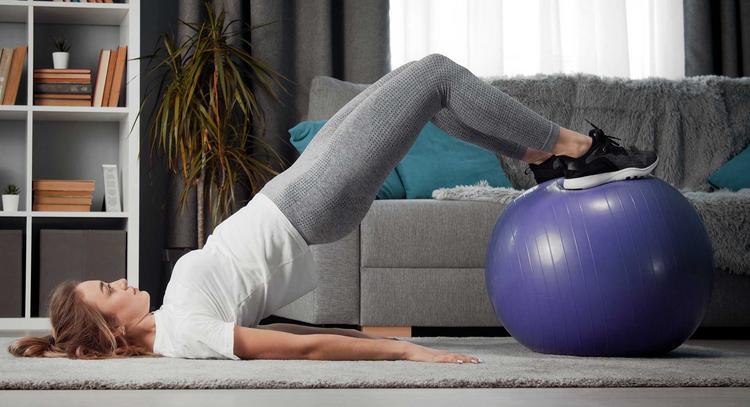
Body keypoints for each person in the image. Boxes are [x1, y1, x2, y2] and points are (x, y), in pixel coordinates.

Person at [8, 53, 657, 362]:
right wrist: (402, 354)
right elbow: (297, 346)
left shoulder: (177, 320)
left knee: (427, 86)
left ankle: (551, 159)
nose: (121, 280)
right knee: (434, 75)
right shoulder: (182, 334)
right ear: (111, 328)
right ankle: (575, 150)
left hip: (295, 194)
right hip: (308, 205)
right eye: (107, 288)